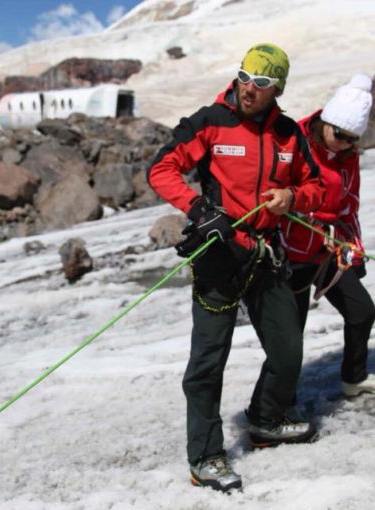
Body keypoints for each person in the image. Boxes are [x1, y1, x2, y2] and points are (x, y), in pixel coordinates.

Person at [146, 43, 324, 492]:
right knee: (207, 362)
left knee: (288, 351)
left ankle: (265, 420)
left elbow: (316, 186)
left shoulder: (288, 134)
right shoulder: (211, 121)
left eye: (261, 82)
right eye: (244, 76)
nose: (249, 88)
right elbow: (161, 169)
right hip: (218, 256)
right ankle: (205, 457)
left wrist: (292, 198)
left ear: (277, 87)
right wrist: (198, 208)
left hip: (265, 256)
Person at [281, 74, 375, 398]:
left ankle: (353, 377)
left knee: (362, 310)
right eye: (340, 134)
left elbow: (348, 206)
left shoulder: (348, 159)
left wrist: (354, 249)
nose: (345, 142)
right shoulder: (293, 142)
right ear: (326, 120)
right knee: (291, 336)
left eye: (352, 138)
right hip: (289, 250)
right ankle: (280, 404)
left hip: (327, 251)